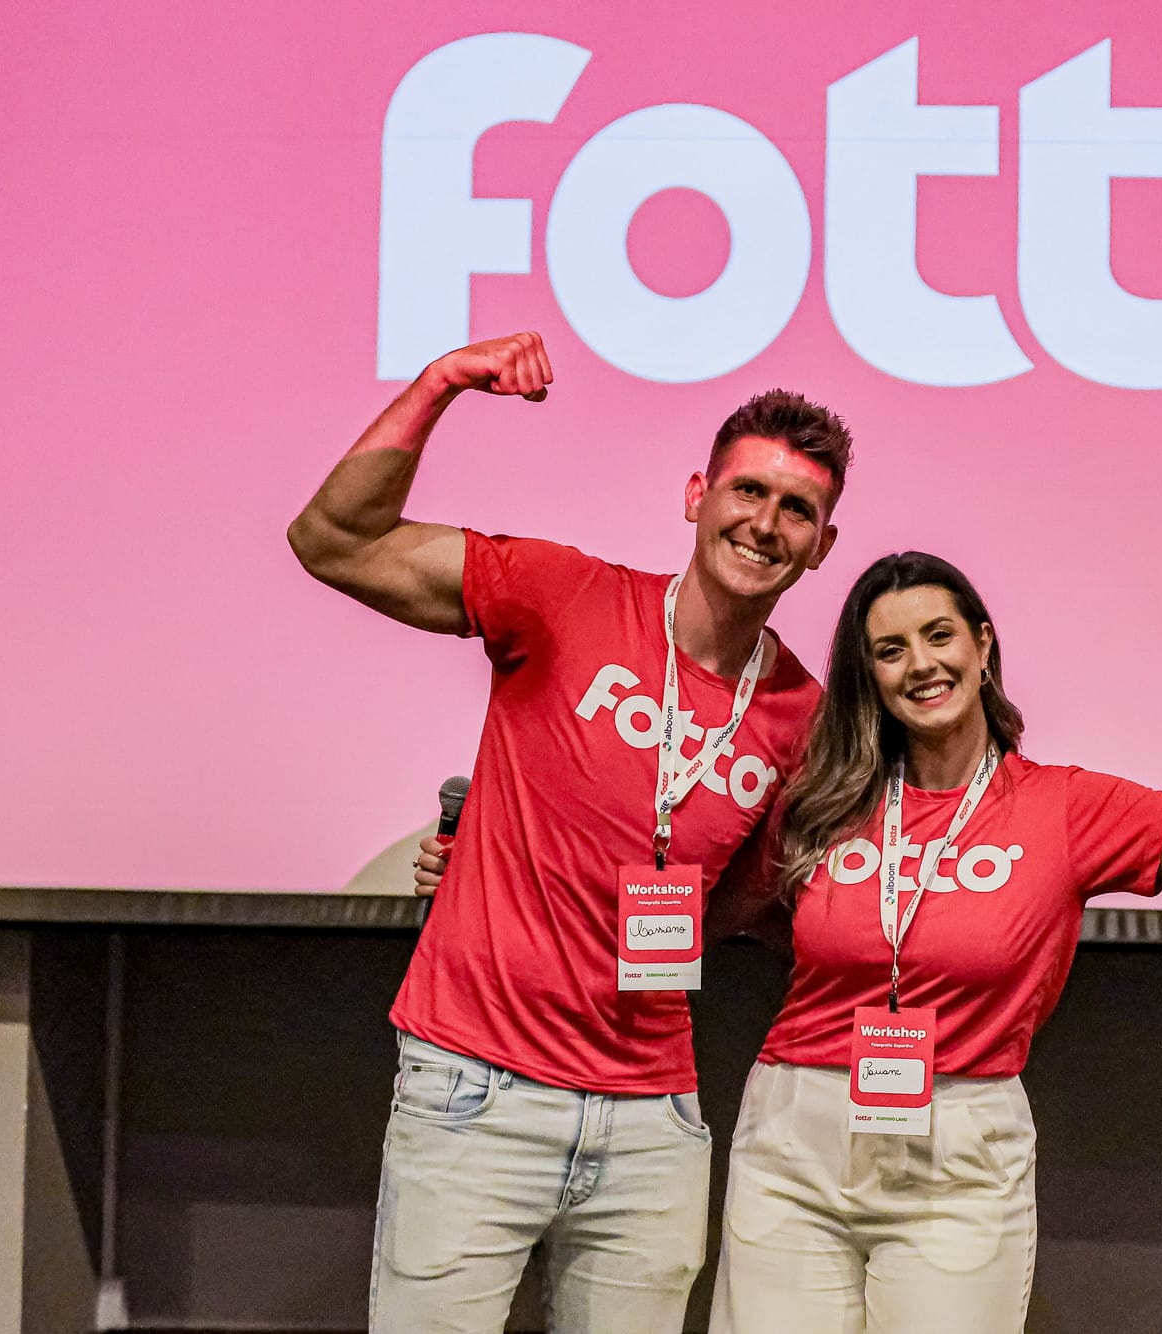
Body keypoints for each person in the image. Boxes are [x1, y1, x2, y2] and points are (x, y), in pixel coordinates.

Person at [287, 330, 851, 1333]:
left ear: (822, 544)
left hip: (651, 1120)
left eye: (796, 508)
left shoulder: (801, 716)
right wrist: (439, 382)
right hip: (476, 1090)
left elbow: (751, 907)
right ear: (696, 495)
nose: (765, 523)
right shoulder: (561, 595)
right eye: (747, 491)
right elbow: (331, 540)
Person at [707, 551, 1162, 1334]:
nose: (920, 665)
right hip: (795, 1137)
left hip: (958, 1150)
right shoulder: (825, 799)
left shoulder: (1064, 808)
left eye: (939, 636)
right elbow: (725, 910)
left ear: (982, 643)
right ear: (870, 674)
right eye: (891, 650)